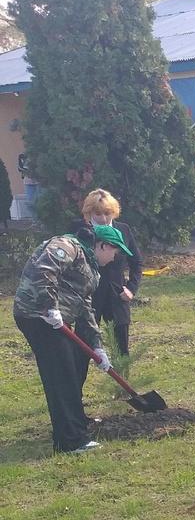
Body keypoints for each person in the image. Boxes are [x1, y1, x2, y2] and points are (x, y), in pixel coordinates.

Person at [12, 225, 133, 453]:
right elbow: (44, 269)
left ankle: (76, 428)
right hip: (38, 316)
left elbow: (85, 308)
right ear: (103, 245)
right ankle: (70, 441)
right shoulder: (67, 246)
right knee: (61, 375)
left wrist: (97, 348)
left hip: (52, 320)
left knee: (67, 372)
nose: (116, 257)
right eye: (115, 252)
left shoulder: (91, 268)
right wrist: (50, 307)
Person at [72, 189, 142, 356]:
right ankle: (75, 382)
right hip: (88, 297)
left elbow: (137, 262)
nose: (103, 218)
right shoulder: (80, 230)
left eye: (107, 213)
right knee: (82, 349)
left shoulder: (123, 229)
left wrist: (131, 288)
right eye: (98, 213)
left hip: (117, 295)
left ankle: (121, 381)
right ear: (89, 213)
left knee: (121, 350)